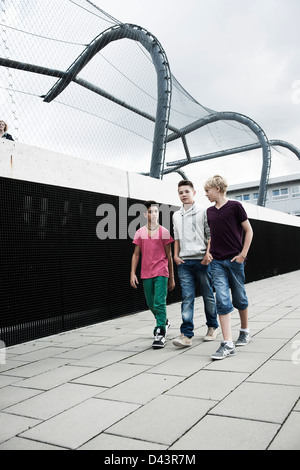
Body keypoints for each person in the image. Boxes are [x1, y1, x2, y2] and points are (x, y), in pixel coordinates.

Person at [204, 175, 253, 360]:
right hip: (216, 263)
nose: (206, 195)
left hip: (234, 261)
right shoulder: (209, 212)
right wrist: (208, 252)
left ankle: (245, 330)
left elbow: (249, 231)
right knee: (222, 300)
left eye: (207, 191)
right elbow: (212, 236)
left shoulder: (235, 207)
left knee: (239, 297)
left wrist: (243, 255)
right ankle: (228, 343)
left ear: (217, 188)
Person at [172, 180, 218, 348]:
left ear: (194, 193)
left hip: (202, 261)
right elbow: (176, 238)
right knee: (187, 298)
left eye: (186, 191)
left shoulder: (203, 211)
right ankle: (186, 335)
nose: (183, 195)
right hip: (184, 262)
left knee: (207, 296)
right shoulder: (176, 215)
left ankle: (212, 327)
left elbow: (211, 235)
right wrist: (175, 256)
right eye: (180, 192)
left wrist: (207, 255)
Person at [130, 201, 175, 349]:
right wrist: (132, 273)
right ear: (145, 214)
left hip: (161, 271)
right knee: (150, 303)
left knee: (159, 301)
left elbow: (169, 256)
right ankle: (164, 321)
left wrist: (172, 278)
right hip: (146, 272)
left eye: (156, 211)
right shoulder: (140, 232)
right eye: (150, 212)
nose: (154, 214)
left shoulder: (164, 232)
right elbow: (136, 254)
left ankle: (160, 332)